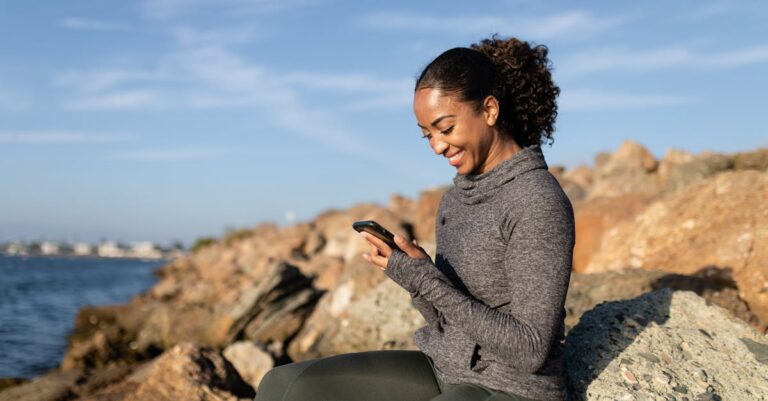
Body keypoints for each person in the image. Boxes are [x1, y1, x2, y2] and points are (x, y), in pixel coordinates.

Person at [254, 34, 574, 401]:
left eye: (446, 128)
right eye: (427, 136)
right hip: (445, 371)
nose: (437, 146)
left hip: (513, 389)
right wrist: (412, 276)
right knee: (283, 386)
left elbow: (529, 349)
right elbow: (447, 322)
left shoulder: (537, 200)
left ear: (489, 110)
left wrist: (426, 282)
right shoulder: (455, 200)